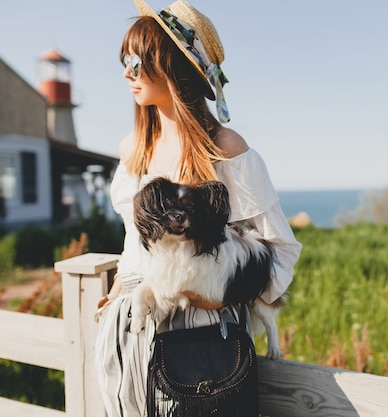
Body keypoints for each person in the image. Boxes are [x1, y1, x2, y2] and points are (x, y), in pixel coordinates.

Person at [94, 1, 302, 416]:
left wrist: (216, 296)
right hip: (129, 327)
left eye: (134, 62)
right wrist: (117, 290)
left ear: (168, 66)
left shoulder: (224, 149)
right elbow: (134, 239)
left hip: (202, 334)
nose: (125, 73)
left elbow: (280, 248)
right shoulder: (133, 149)